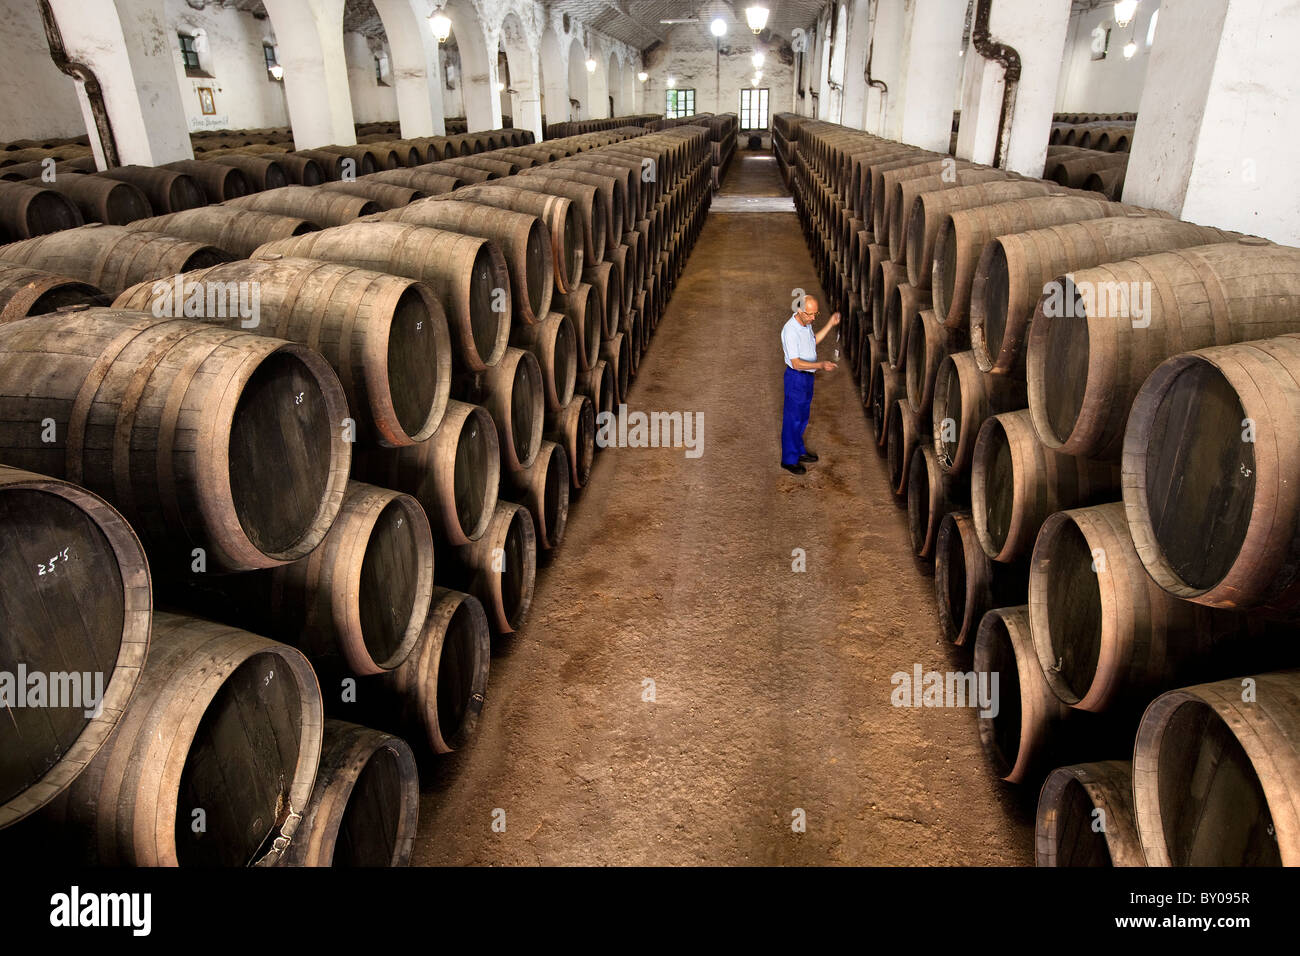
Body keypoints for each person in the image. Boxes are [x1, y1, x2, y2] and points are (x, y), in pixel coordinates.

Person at [780, 293, 839, 475]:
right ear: (799, 310)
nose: (813, 318)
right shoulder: (790, 330)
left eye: (816, 314)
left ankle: (799, 450)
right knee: (793, 419)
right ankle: (789, 459)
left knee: (803, 416)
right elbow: (796, 362)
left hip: (807, 378)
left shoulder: (805, 324)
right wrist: (820, 365)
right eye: (810, 314)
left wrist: (830, 323)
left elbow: (813, 342)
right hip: (796, 377)